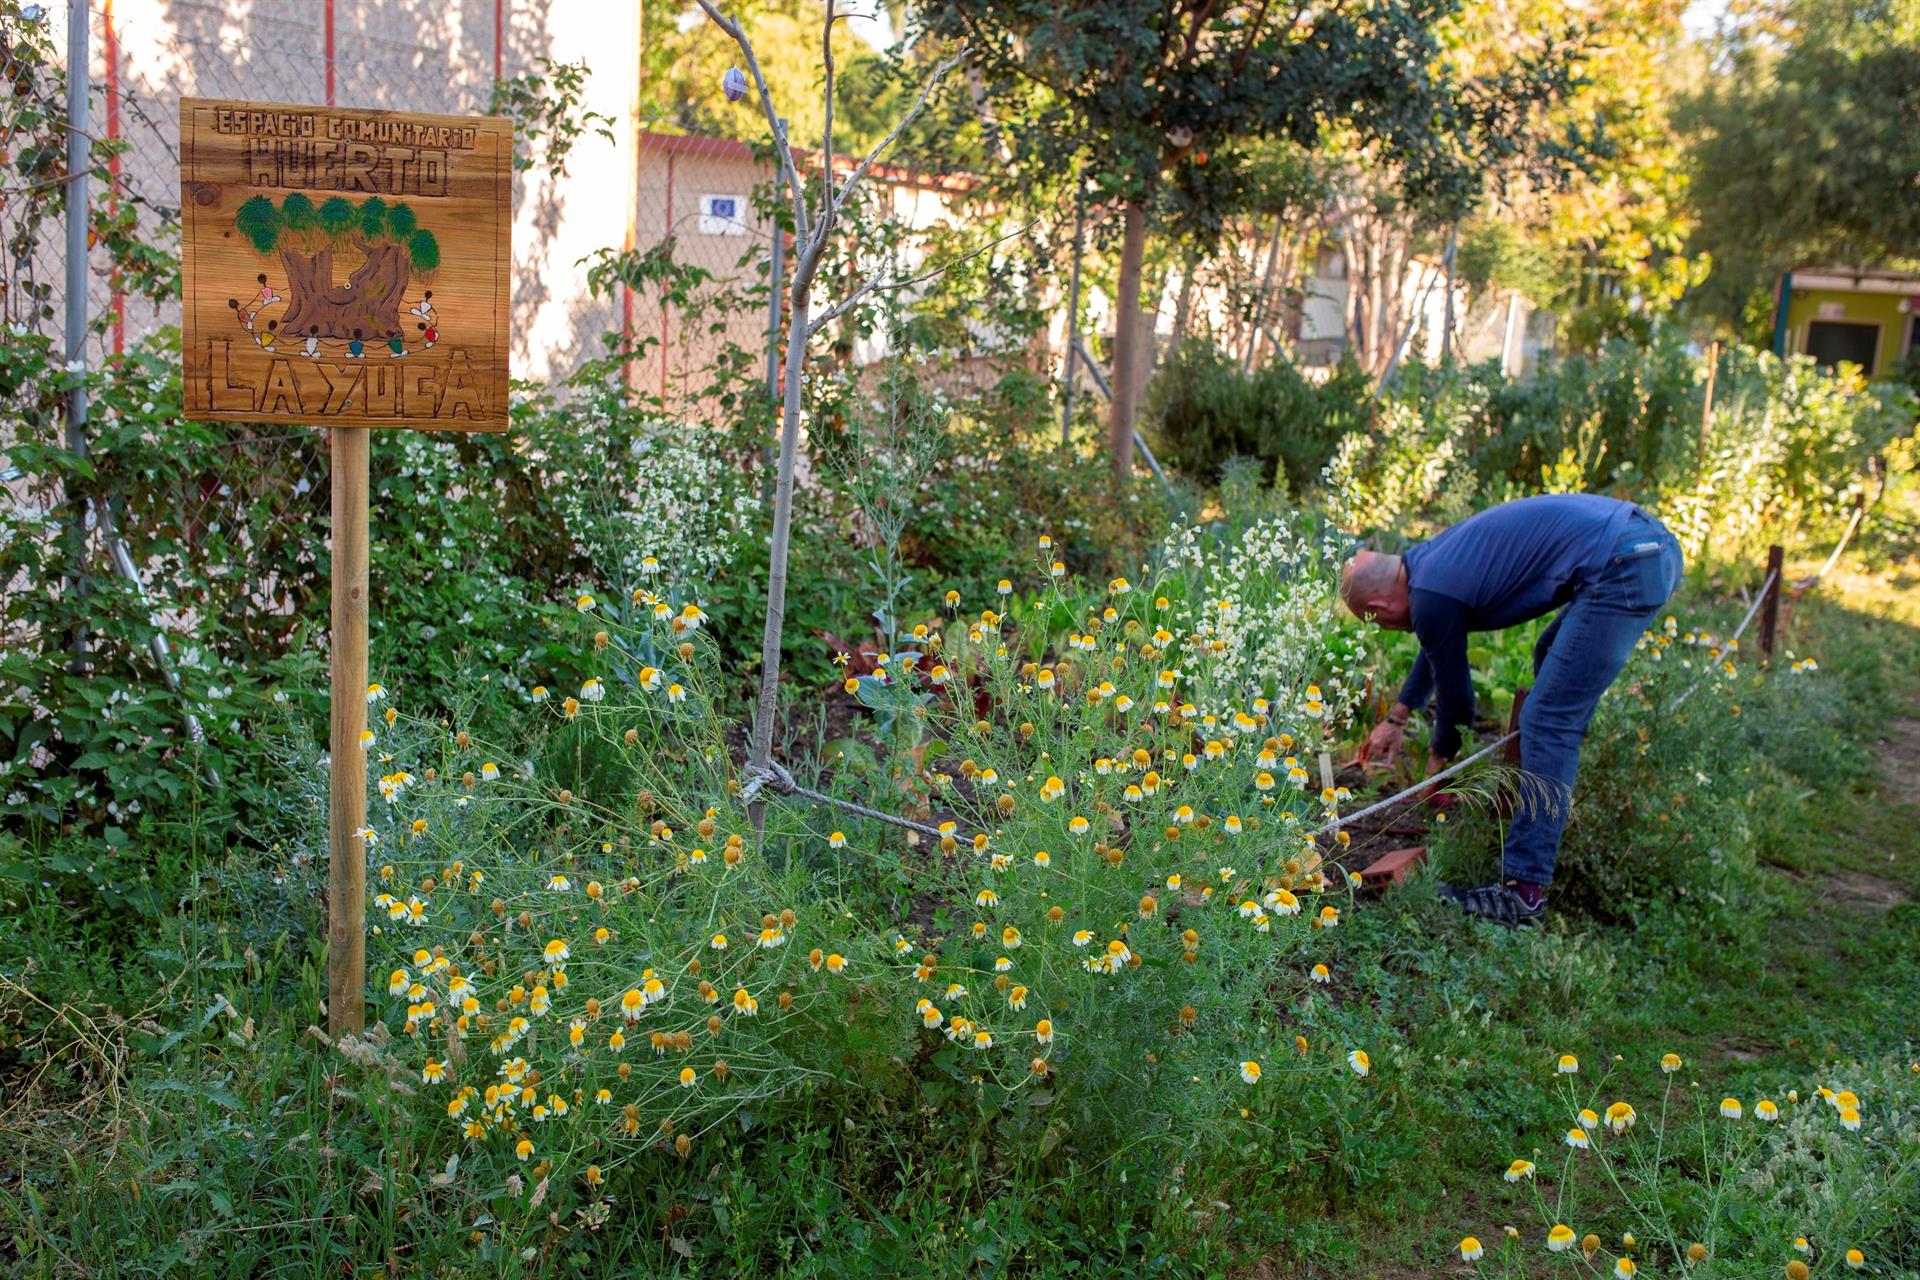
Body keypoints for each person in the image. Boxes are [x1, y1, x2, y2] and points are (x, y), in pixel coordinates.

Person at [1339, 493, 1683, 925]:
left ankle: (1523, 891)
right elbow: (1437, 643)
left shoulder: (1429, 591)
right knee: (1549, 661)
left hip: (1624, 562)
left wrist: (1437, 764)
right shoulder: (1428, 565)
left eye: (1384, 624)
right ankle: (1548, 812)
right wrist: (1399, 716)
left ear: (1378, 609)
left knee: (1549, 719)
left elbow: (1459, 702)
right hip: (1640, 544)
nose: (1394, 629)